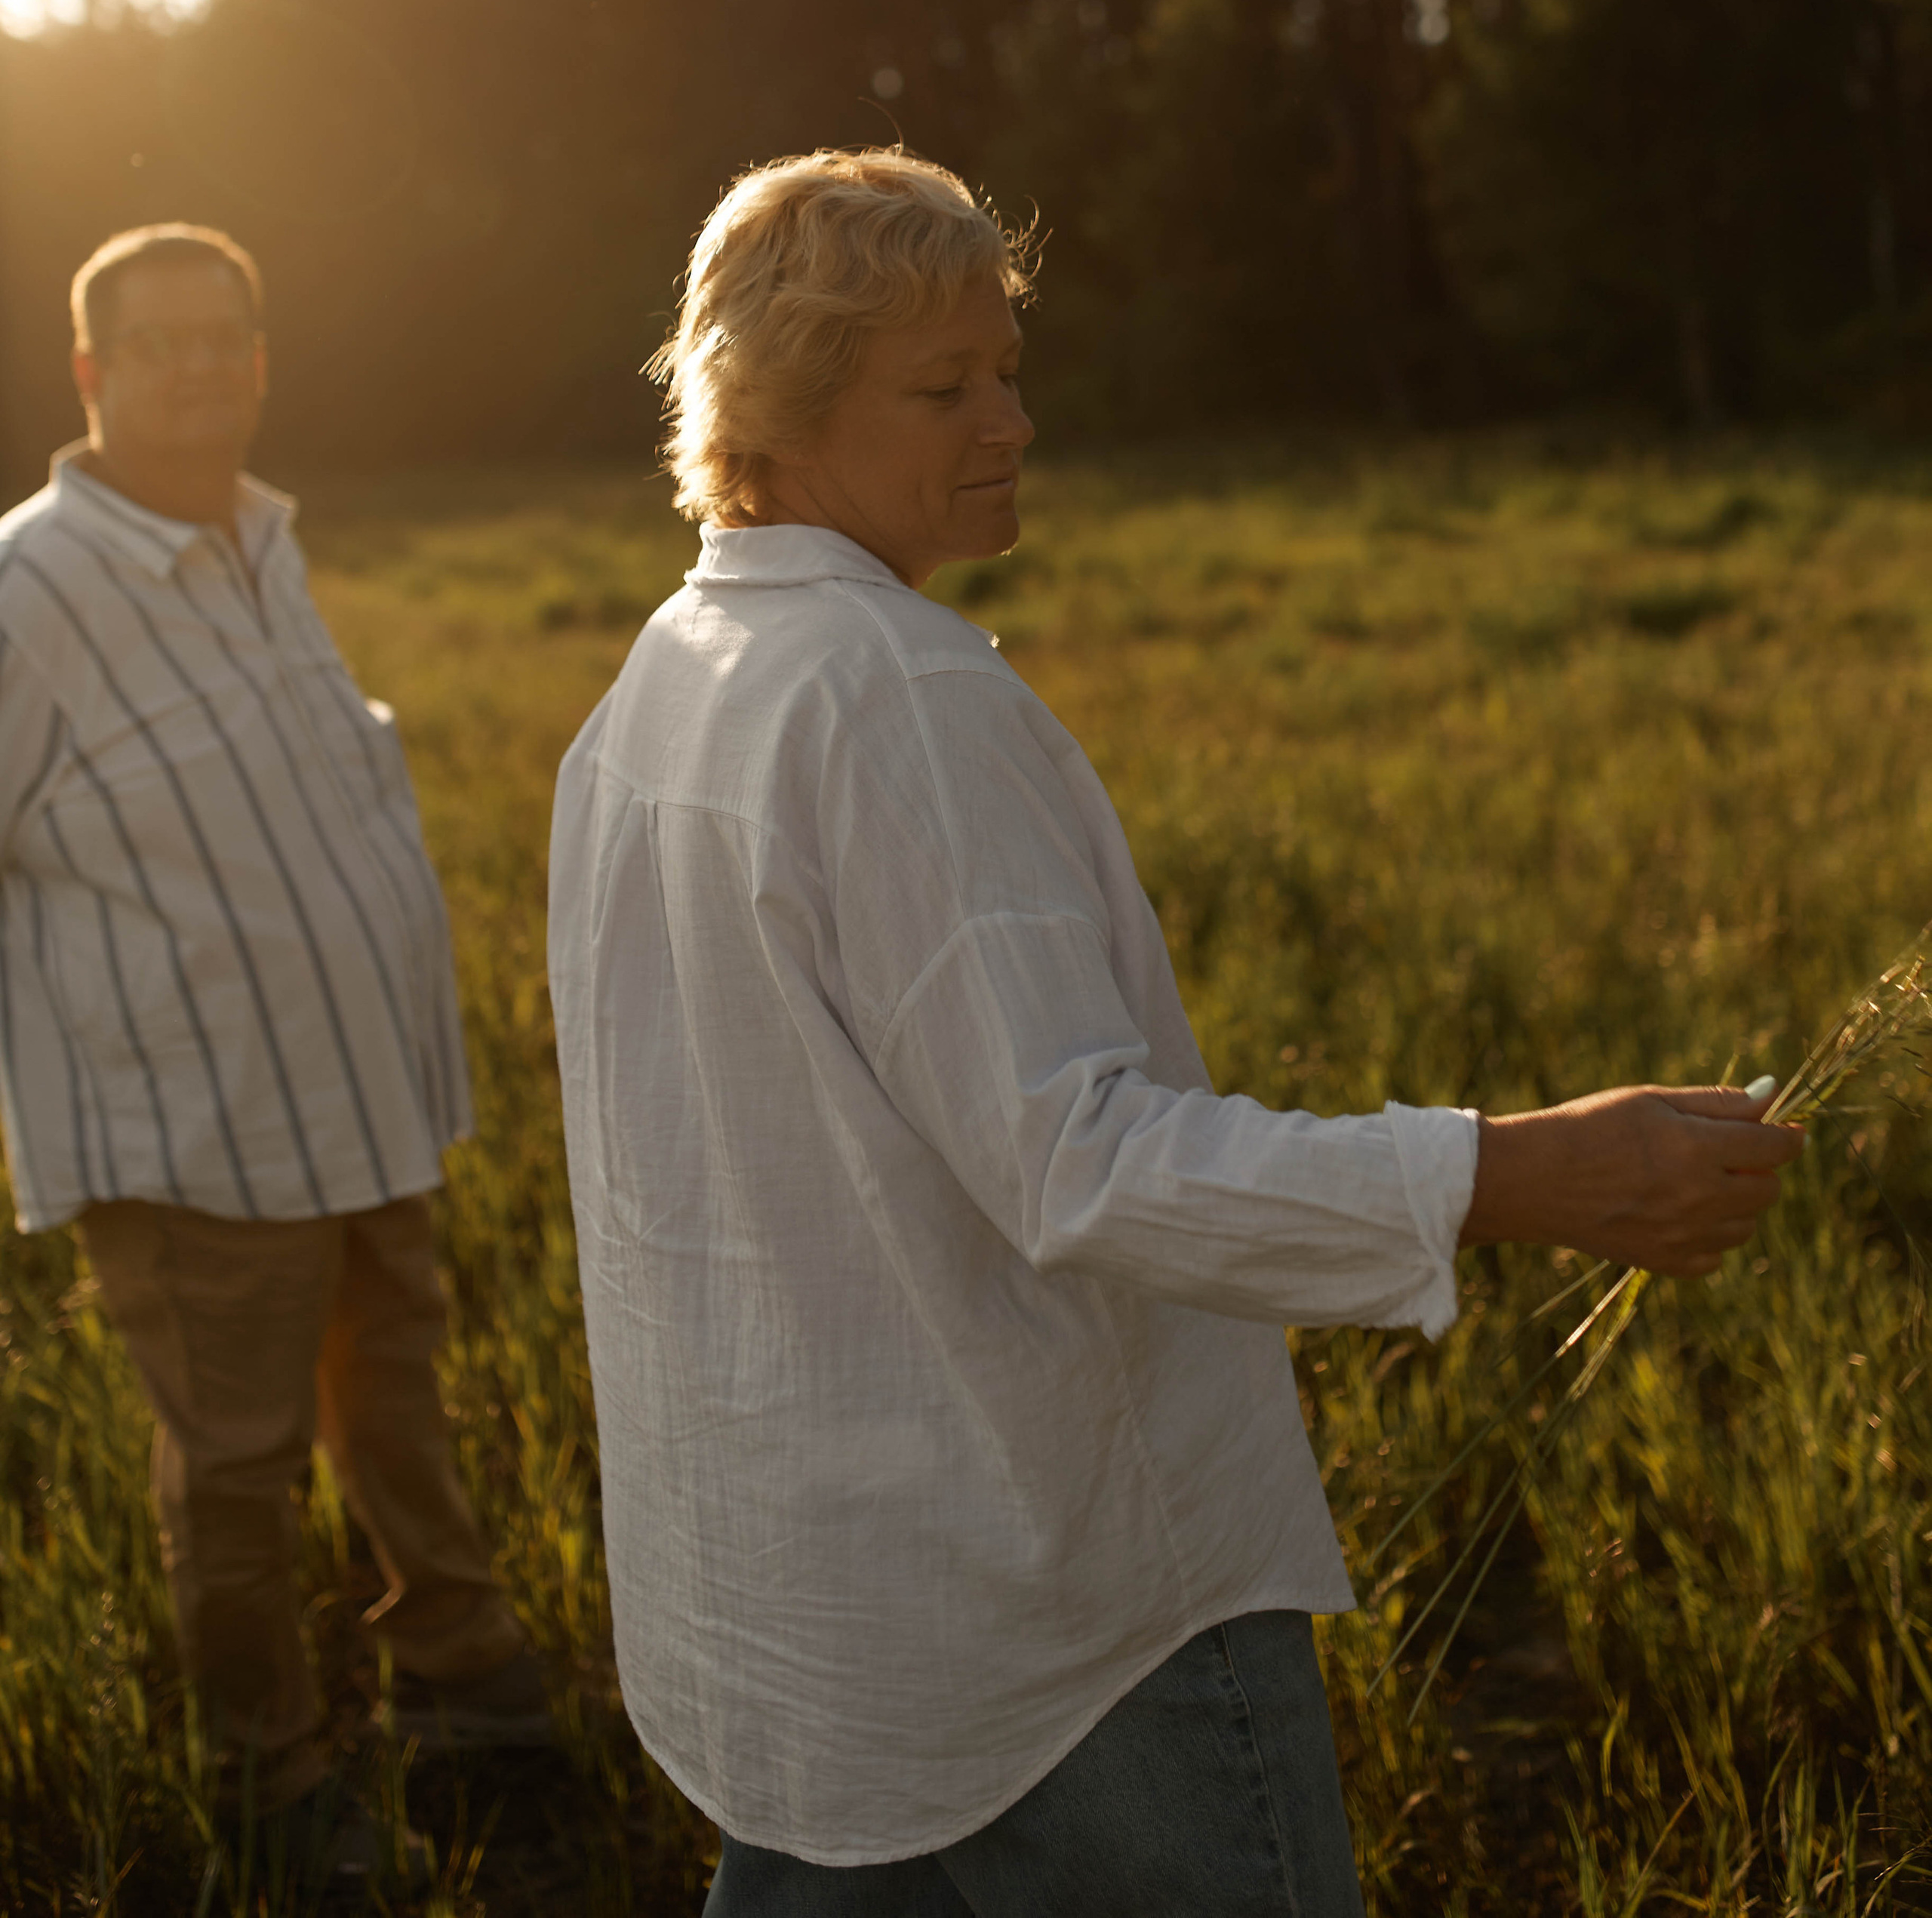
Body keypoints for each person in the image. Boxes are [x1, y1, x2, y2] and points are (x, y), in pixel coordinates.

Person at [547, 149, 1801, 1917]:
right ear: (774, 409)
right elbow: (1085, 1165)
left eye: (1005, 366)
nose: (1010, 420)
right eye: (942, 386)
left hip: (812, 1623)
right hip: (1052, 1619)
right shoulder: (894, 698)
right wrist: (1520, 1172)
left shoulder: (655, 688)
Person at [0, 223, 549, 1877]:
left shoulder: (259, 537)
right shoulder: (28, 594)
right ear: (90, 374)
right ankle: (272, 1781)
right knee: (237, 1475)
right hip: (197, 1133)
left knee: (397, 1403)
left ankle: (464, 1690)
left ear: (260, 358)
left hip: (367, 1097)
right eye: (155, 342)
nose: (197, 365)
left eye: (224, 336)